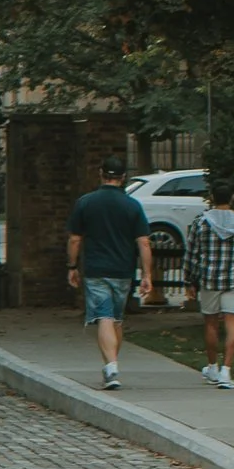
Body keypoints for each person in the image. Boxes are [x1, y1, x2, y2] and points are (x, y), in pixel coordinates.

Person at [66, 154, 152, 389]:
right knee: (116, 319)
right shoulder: (132, 205)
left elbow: (75, 239)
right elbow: (143, 242)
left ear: (101, 174)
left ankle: (111, 366)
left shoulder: (86, 202)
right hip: (123, 269)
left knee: (104, 316)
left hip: (96, 268)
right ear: (124, 177)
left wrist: (72, 266)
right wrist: (147, 274)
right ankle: (111, 364)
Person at [183, 192, 234, 387]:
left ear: (213, 196)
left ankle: (212, 366)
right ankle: (226, 371)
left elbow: (192, 253)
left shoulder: (202, 223)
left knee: (211, 324)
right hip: (233, 278)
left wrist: (189, 279)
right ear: (232, 197)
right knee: (232, 325)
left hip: (209, 278)